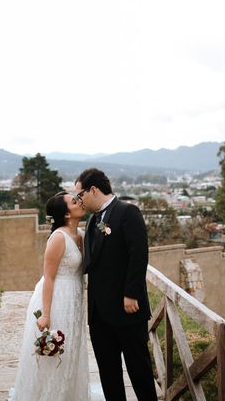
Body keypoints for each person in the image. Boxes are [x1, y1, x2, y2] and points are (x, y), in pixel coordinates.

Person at [77, 168, 157, 401]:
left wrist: (131, 294)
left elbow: (138, 254)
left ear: (93, 190)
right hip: (99, 315)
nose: (79, 201)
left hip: (127, 309)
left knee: (139, 371)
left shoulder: (127, 211)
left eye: (80, 195)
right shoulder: (92, 221)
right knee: (108, 373)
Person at [9, 192, 91, 400]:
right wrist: (45, 315)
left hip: (75, 299)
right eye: (74, 201)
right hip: (57, 299)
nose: (79, 202)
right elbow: (49, 278)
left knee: (71, 350)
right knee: (54, 354)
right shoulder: (58, 238)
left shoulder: (80, 234)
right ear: (66, 214)